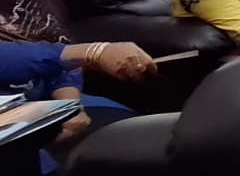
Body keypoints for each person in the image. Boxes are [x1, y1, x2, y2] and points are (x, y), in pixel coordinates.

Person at [0, 41, 155, 174]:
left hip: (47, 105)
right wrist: (92, 51)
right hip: (20, 140)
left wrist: (69, 105)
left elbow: (62, 67)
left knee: (145, 139)